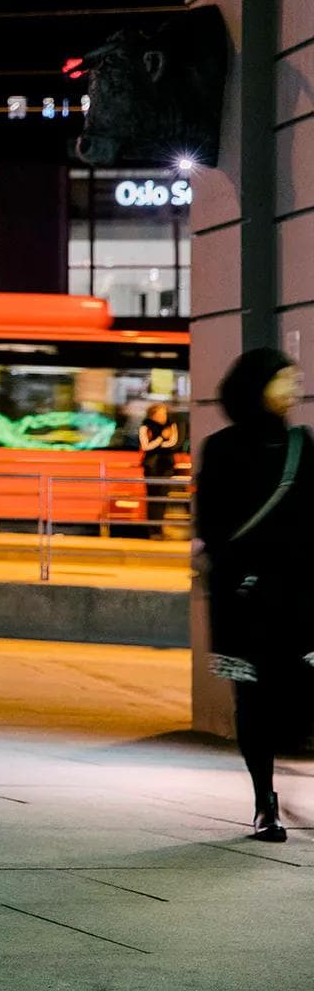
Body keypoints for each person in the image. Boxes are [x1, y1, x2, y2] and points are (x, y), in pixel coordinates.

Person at [196, 348, 313, 843]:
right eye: (284, 379)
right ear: (256, 386)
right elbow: (211, 524)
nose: (294, 387)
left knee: (300, 692)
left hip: (299, 595)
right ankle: (265, 800)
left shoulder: (301, 443)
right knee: (254, 701)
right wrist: (244, 571)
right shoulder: (222, 448)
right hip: (245, 597)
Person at [139, 402, 181, 528]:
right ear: (152, 415)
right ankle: (152, 528)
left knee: (163, 497)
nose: (163, 416)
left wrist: (157, 443)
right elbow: (146, 446)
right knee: (152, 497)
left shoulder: (171, 426)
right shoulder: (145, 427)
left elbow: (173, 443)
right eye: (160, 414)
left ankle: (160, 527)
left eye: (165, 414)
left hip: (167, 466)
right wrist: (162, 437)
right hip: (151, 466)